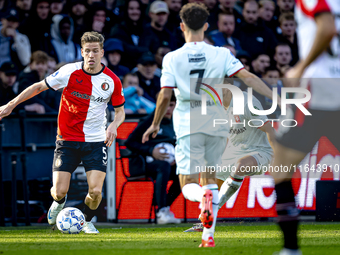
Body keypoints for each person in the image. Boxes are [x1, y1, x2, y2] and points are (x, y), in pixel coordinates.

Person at [142, 3, 275, 247]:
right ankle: (207, 234)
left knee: (190, 186)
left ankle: (205, 207)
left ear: (181, 27)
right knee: (209, 180)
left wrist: (155, 124)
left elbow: (164, 95)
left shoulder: (172, 58)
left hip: (200, 128)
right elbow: (249, 76)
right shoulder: (222, 54)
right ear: (206, 26)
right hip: (220, 137)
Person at [0, 31, 126, 234]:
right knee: (59, 191)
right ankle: (58, 202)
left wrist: (113, 126)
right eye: (87, 51)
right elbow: (38, 87)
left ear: (102, 53)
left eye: (95, 51)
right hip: (67, 140)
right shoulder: (69, 72)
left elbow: (120, 112)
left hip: (95, 141)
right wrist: (11, 105)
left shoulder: (112, 81)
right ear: (82, 52)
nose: (91, 55)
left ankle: (86, 220)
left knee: (95, 191)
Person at [270, 0, 340, 254]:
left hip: (320, 92)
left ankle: (290, 248)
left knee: (280, 167)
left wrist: (300, 66)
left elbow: (327, 28)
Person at [184, 86, 275, 232]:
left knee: (240, 166)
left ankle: (212, 213)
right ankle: (205, 222)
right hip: (233, 151)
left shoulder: (246, 102)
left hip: (260, 150)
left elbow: (270, 130)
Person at [125, 92, 181, 224]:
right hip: (144, 164)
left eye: (171, 105)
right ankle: (161, 210)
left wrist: (176, 158)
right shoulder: (150, 121)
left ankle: (165, 207)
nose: (168, 109)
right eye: (165, 105)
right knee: (163, 166)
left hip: (167, 165)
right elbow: (130, 142)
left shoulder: (176, 123)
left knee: (183, 172)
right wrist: (151, 151)